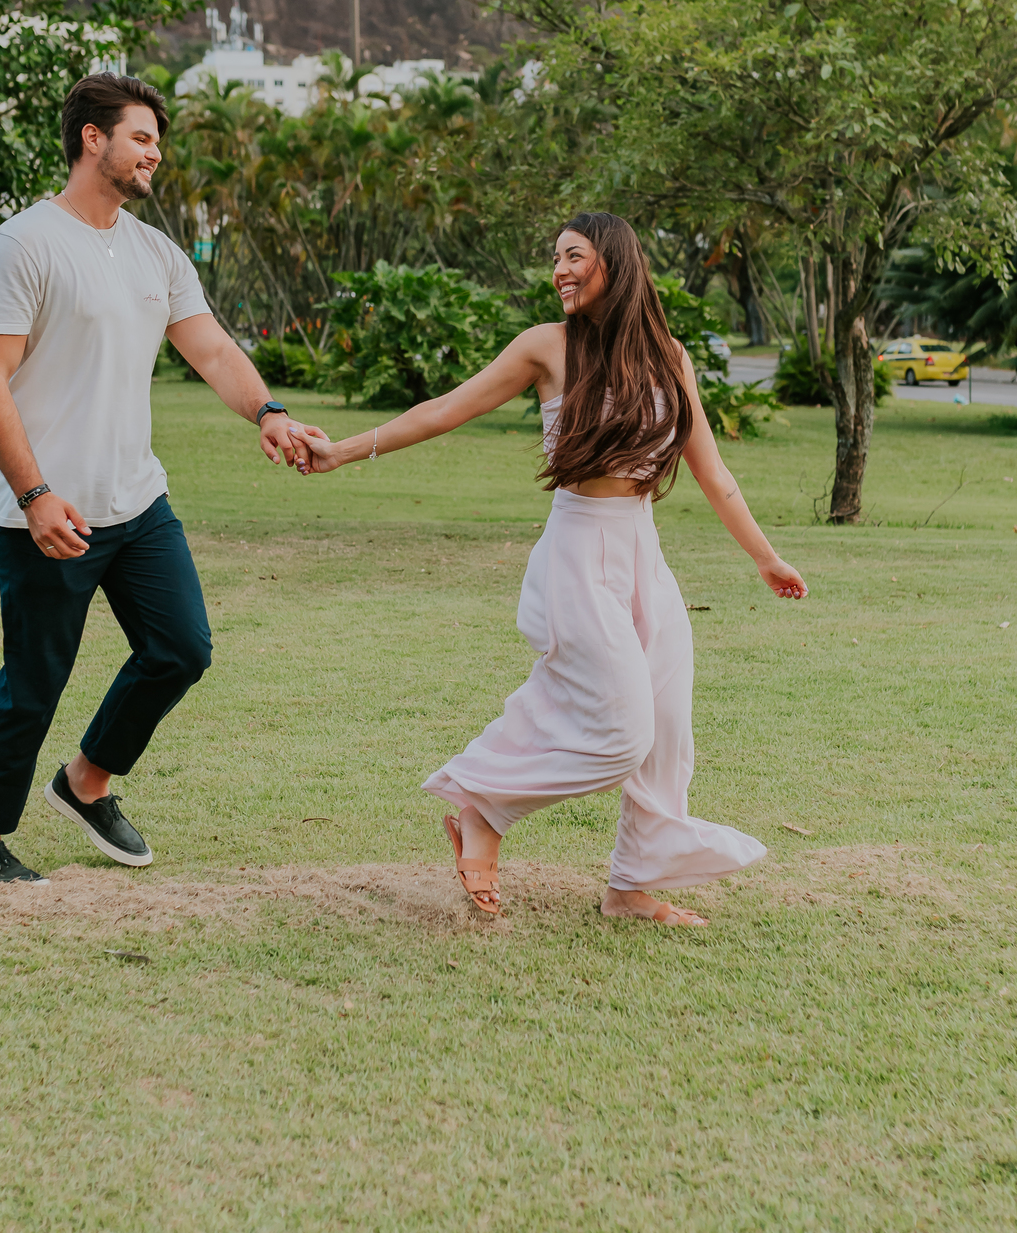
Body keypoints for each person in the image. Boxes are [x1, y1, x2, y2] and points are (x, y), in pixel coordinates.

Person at [303, 213, 806, 926]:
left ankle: (631, 885)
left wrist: (766, 557)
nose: (559, 270)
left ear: (616, 261)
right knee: (623, 728)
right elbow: (445, 410)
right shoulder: (547, 347)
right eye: (555, 259)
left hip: (643, 553)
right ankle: (482, 806)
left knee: (666, 728)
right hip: (579, 553)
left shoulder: (670, 355)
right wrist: (342, 451)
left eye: (573, 255)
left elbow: (714, 474)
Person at [0, 71, 323, 887]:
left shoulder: (156, 252)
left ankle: (87, 781)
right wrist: (35, 495)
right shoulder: (23, 243)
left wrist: (270, 413)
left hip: (137, 499)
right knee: (36, 678)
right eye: (143, 137)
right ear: (93, 138)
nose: (157, 153)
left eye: (157, 140)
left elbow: (212, 350)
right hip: (47, 508)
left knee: (180, 648)